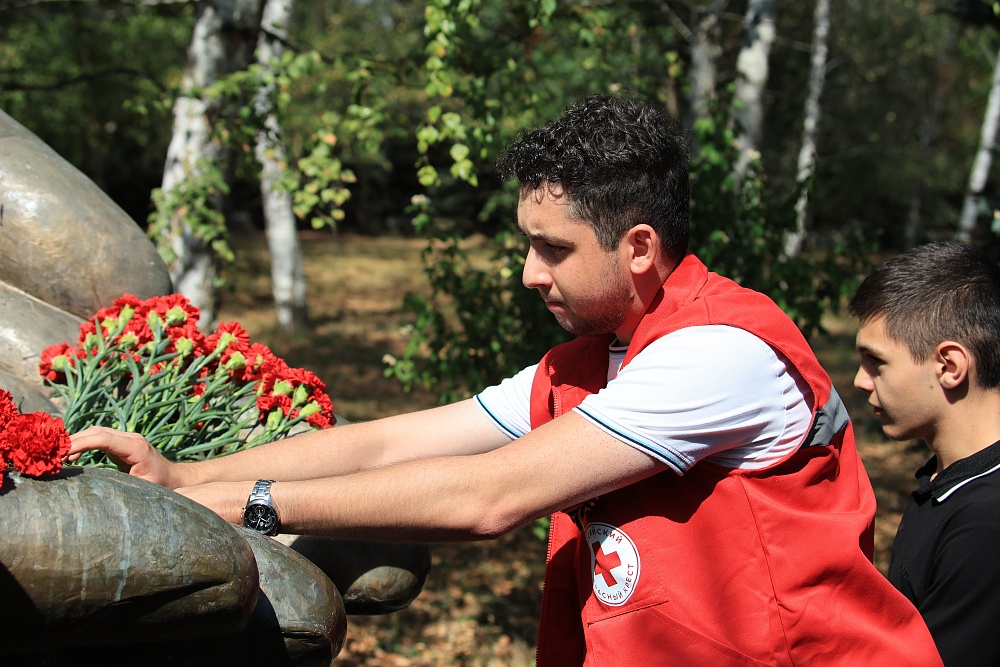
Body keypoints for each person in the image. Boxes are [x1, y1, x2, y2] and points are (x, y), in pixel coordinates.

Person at [70, 94, 941, 666]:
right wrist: (184, 475)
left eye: (553, 248)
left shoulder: (719, 354)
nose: (529, 273)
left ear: (639, 247)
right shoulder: (594, 357)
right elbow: (395, 440)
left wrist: (245, 505)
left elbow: (487, 497)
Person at [850, 241, 1000, 667]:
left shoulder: (985, 525)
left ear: (949, 366)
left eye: (876, 362)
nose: (860, 381)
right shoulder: (945, 480)